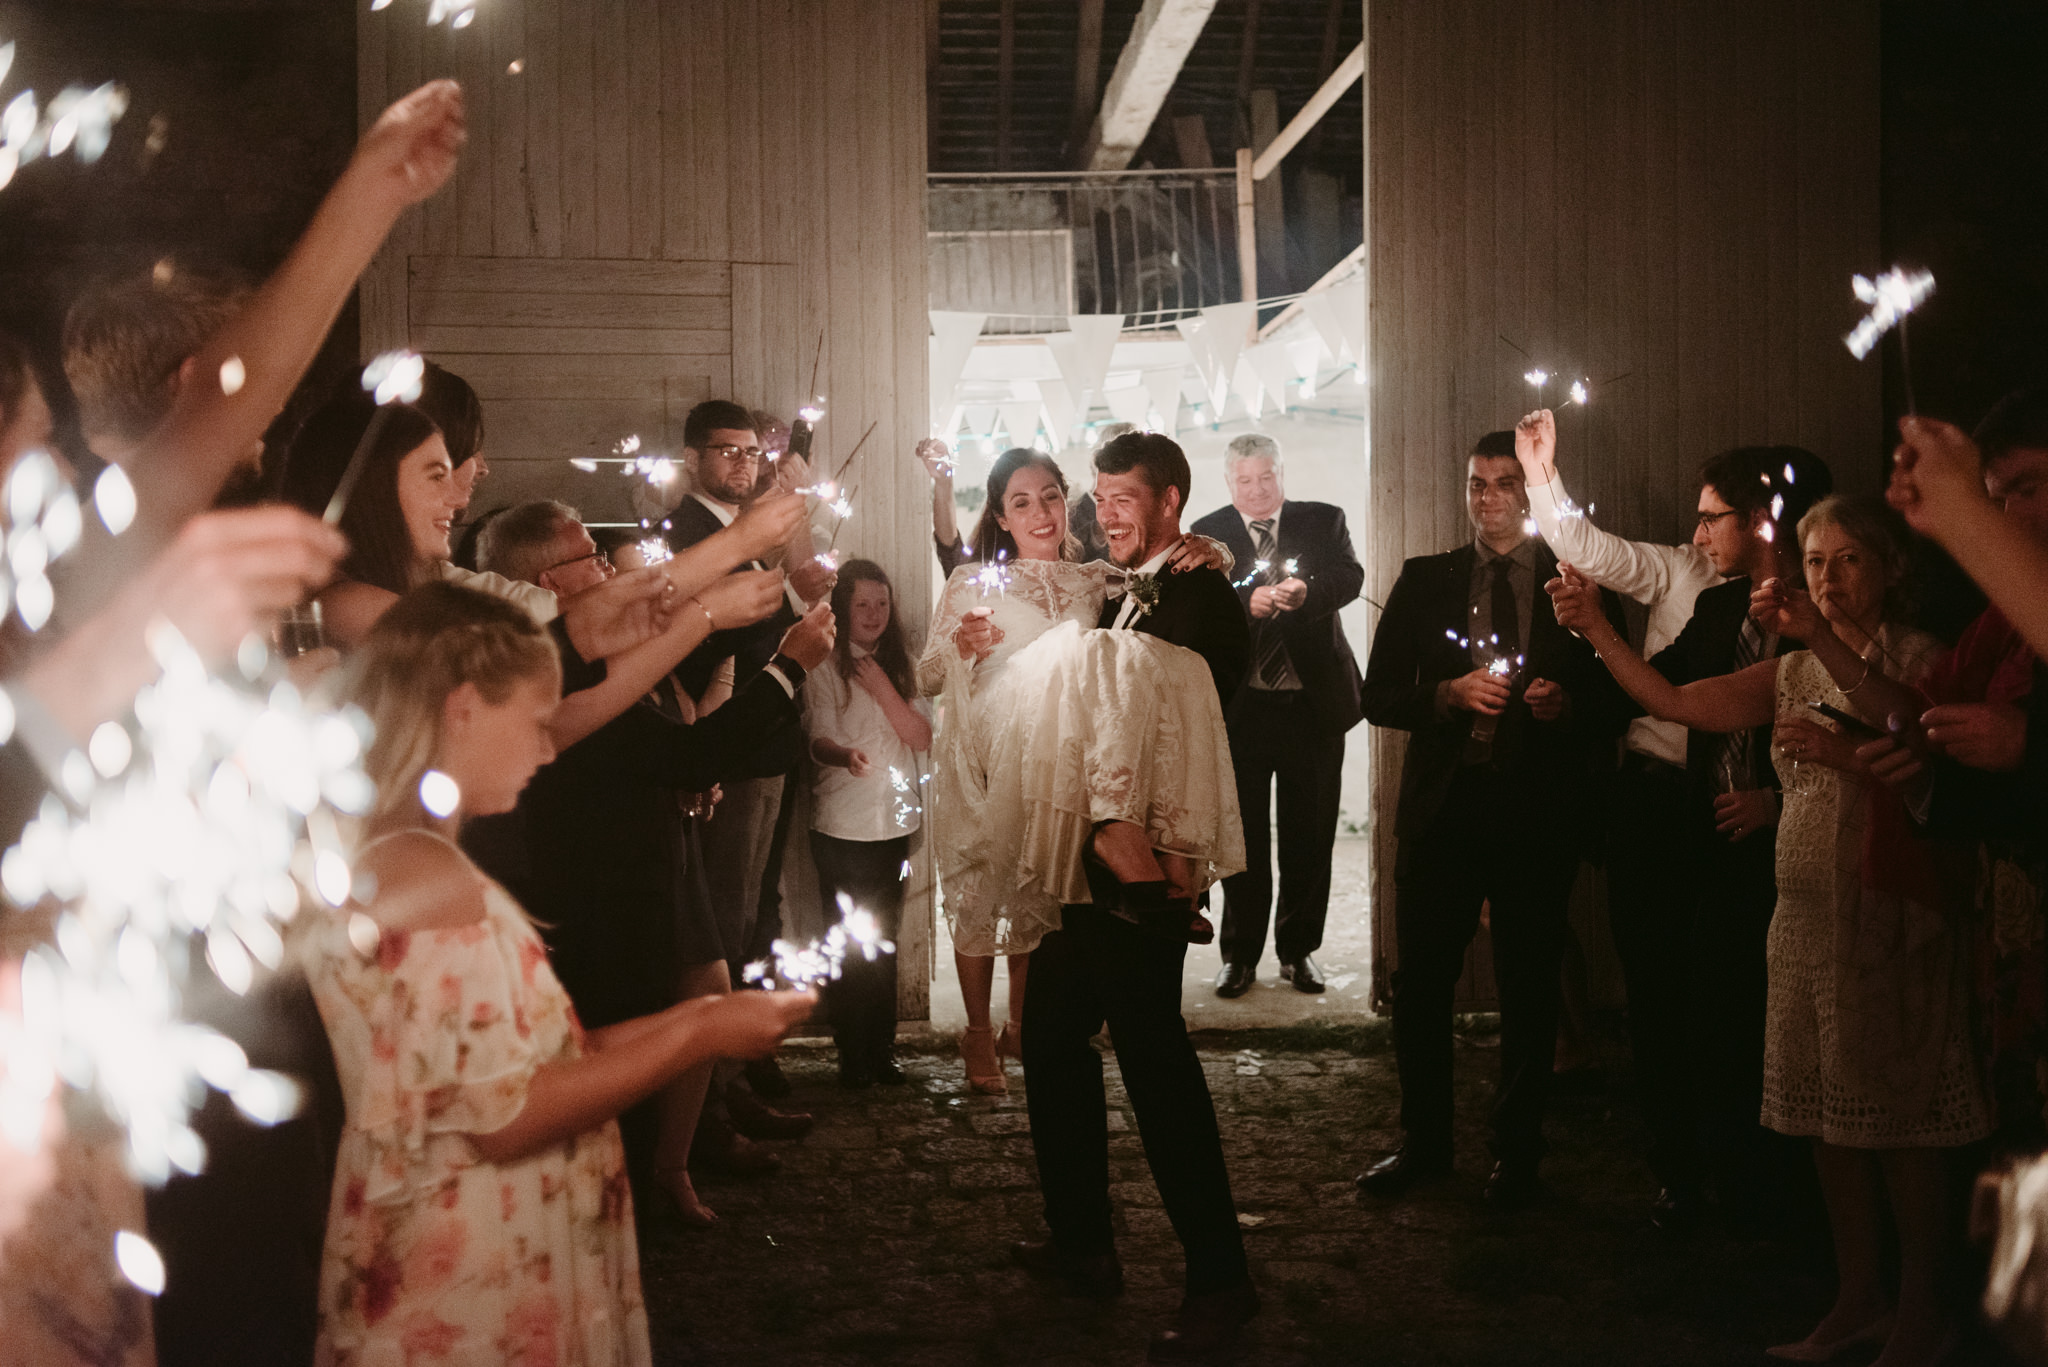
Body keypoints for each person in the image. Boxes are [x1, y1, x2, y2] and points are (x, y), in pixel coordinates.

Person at [308, 582, 815, 1366]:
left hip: (472, 1235)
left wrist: (702, 1015)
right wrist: (705, 1029)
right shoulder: (424, 874)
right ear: (464, 707)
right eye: (537, 723)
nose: (550, 749)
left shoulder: (406, 853)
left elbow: (538, 1052)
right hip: (470, 1268)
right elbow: (504, 1114)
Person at [1550, 496, 1991, 1367]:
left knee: (1899, 1121)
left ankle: (1921, 1310)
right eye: (1815, 561)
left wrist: (1844, 755)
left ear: (1891, 569)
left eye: (1848, 560)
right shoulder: (1791, 668)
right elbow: (1676, 699)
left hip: (1887, 915)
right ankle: (1856, 1297)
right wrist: (1598, 627)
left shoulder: (1921, 659)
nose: (1827, 578)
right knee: (1831, 1120)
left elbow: (1925, 753)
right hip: (1805, 918)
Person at [1518, 408, 1834, 1230]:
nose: (1695, 533)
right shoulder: (1712, 603)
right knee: (1676, 997)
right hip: (1682, 815)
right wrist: (1581, 665)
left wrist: (1779, 795)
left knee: (1750, 1007)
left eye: (1710, 516)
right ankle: (1691, 1173)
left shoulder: (1821, 608)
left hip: (1789, 840)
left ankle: (1770, 1183)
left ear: (1763, 521)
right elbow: (1663, 685)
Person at [476, 500, 827, 1225]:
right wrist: (789, 669)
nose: (608, 570)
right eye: (593, 560)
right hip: (601, 897)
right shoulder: (558, 675)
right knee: (612, 1083)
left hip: (646, 865)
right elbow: (681, 752)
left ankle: (664, 1170)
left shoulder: (608, 655)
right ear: (551, 579)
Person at [1002, 432, 1258, 1362]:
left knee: (1154, 1058)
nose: (1103, 513)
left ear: (1171, 501)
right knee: (1050, 1038)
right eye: (1099, 497)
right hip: (1083, 862)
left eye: (1123, 498)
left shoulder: (1203, 594)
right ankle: (1083, 1246)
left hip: (1149, 872)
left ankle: (1223, 1277)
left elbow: (1188, 709)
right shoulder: (1107, 588)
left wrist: (1215, 558)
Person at [914, 445, 1235, 1094]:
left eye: (1052, 496)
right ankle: (978, 1033)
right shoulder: (972, 583)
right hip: (984, 759)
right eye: (1022, 502)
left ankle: (1021, 1022)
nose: (1040, 512)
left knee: (1041, 898)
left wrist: (1216, 551)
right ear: (1001, 516)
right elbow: (925, 677)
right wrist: (960, 648)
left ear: (1068, 501)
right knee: (980, 894)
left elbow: (1157, 587)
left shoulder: (1094, 578)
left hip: (1059, 769)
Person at [1355, 430, 1622, 1211]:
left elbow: (1620, 697)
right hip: (1444, 813)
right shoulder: (1426, 578)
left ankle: (1517, 1151)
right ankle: (1425, 1143)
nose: (1490, 497)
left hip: (1536, 815)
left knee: (1529, 983)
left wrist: (1566, 702)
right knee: (1422, 985)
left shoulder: (1576, 583)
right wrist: (1446, 694)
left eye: (1507, 483)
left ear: (1532, 493)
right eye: (1477, 484)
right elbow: (1376, 697)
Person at [1190, 432, 1364, 997]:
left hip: (1312, 706)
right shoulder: (1207, 533)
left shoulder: (1324, 520)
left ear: (1281, 472)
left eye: (1267, 477)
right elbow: (1193, 606)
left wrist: (1307, 592)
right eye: (1245, 480)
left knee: (1309, 837)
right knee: (1240, 842)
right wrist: (1245, 604)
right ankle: (1239, 956)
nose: (1258, 489)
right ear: (1229, 483)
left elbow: (1350, 577)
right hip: (1241, 711)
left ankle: (1299, 951)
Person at [803, 560, 932, 1087]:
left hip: (894, 827)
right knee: (849, 941)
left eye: (882, 604)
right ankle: (852, 1053)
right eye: (863, 604)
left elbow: (920, 737)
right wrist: (846, 755)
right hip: (841, 826)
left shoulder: (901, 666)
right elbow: (817, 741)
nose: (875, 614)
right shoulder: (824, 667)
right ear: (842, 609)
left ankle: (881, 1049)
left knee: (885, 940)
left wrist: (882, 687)